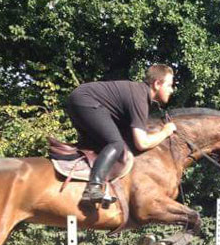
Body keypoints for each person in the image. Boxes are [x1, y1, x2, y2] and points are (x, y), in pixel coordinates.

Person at [66, 64, 178, 204]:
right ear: (157, 84)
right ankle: (93, 188)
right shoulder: (140, 98)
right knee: (115, 143)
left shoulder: (139, 94)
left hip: (80, 100)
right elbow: (142, 143)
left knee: (109, 143)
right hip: (85, 100)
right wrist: (165, 132)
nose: (171, 90)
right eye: (169, 85)